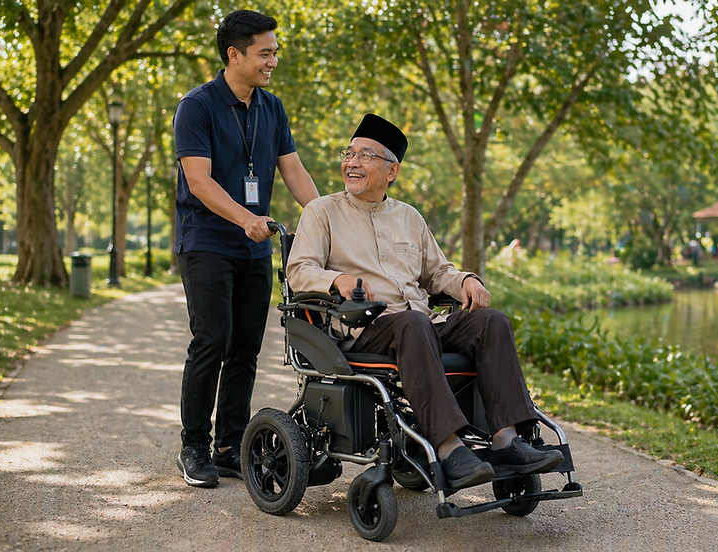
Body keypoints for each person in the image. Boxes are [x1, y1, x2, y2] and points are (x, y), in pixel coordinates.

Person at [286, 114, 563, 490]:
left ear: (391, 170)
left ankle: (507, 441)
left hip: (420, 324)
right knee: (413, 325)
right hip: (362, 326)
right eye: (348, 153)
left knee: (492, 322)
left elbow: (437, 273)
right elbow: (299, 271)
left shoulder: (408, 217)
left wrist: (464, 279)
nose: (351, 163)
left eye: (364, 156)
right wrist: (337, 279)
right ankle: (449, 448)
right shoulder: (323, 212)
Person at [173, 10, 319, 488]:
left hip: (256, 249)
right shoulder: (196, 107)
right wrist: (246, 218)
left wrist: (328, 222)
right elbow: (199, 181)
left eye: (275, 51)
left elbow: (294, 172)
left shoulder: (271, 108)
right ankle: (193, 446)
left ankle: (229, 446)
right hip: (208, 243)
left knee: (245, 350)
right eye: (265, 52)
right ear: (234, 54)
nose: (274, 60)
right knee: (211, 340)